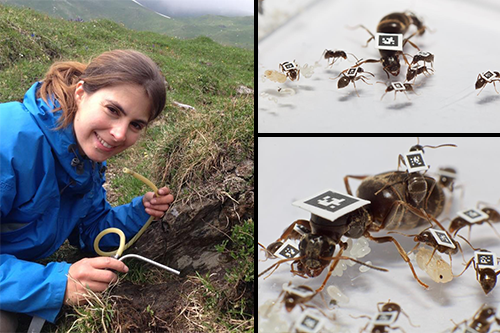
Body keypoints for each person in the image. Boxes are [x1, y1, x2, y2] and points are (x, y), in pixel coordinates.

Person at [0, 49, 174, 331]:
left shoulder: (83, 160)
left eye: (136, 125)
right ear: (81, 93)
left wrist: (140, 211)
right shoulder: (8, 143)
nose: (119, 133)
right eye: (113, 110)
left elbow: (90, 230)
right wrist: (58, 282)